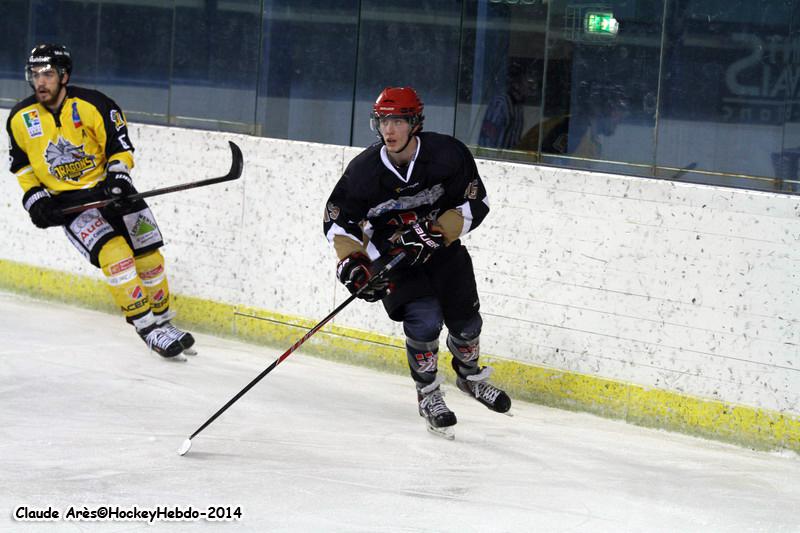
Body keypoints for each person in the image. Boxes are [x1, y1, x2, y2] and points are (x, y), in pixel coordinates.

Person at [323, 86, 511, 438]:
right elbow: (339, 223)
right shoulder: (364, 172)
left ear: (415, 123)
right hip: (395, 260)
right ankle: (428, 394)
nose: (388, 131)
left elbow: (475, 201)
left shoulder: (447, 155)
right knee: (424, 322)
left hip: (443, 252)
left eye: (397, 121)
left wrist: (438, 231)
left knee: (467, 324)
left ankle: (469, 375)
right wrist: (356, 265)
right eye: (382, 122)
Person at [6, 43, 195, 360]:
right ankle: (148, 328)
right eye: (35, 74)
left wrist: (119, 177)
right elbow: (22, 168)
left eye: (48, 74)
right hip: (72, 203)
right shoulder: (20, 118)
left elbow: (120, 149)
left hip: (114, 193)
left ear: (64, 75)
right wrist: (36, 201)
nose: (40, 81)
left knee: (149, 257)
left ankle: (163, 321)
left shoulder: (95, 104)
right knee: (116, 255)